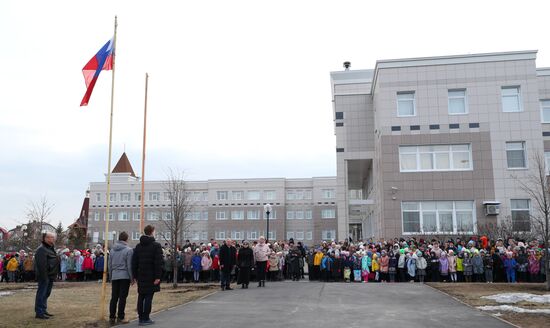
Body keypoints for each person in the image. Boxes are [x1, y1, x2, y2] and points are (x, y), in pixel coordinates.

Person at [132, 225, 163, 326]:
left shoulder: (138, 246)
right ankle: (146, 318)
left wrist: (135, 275)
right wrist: (158, 276)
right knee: (149, 296)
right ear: (152, 232)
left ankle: (141, 317)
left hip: (141, 275)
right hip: (152, 276)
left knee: (141, 296)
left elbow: (134, 262)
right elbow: (158, 262)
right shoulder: (156, 246)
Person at [109, 231, 133, 325]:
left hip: (115, 275)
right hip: (124, 276)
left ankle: (111, 317)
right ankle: (120, 317)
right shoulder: (128, 250)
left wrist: (111, 277)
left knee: (114, 297)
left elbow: (109, 265)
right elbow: (129, 266)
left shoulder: (112, 250)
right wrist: (132, 278)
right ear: (126, 239)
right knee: (122, 297)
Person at [34, 232, 59, 320]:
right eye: (48, 237)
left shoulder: (50, 248)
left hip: (50, 275)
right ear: (44, 238)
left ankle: (43, 310)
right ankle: (39, 312)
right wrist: (44, 277)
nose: (51, 239)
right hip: (44, 276)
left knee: (46, 294)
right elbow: (41, 265)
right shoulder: (42, 249)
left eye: (52, 237)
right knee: (42, 293)